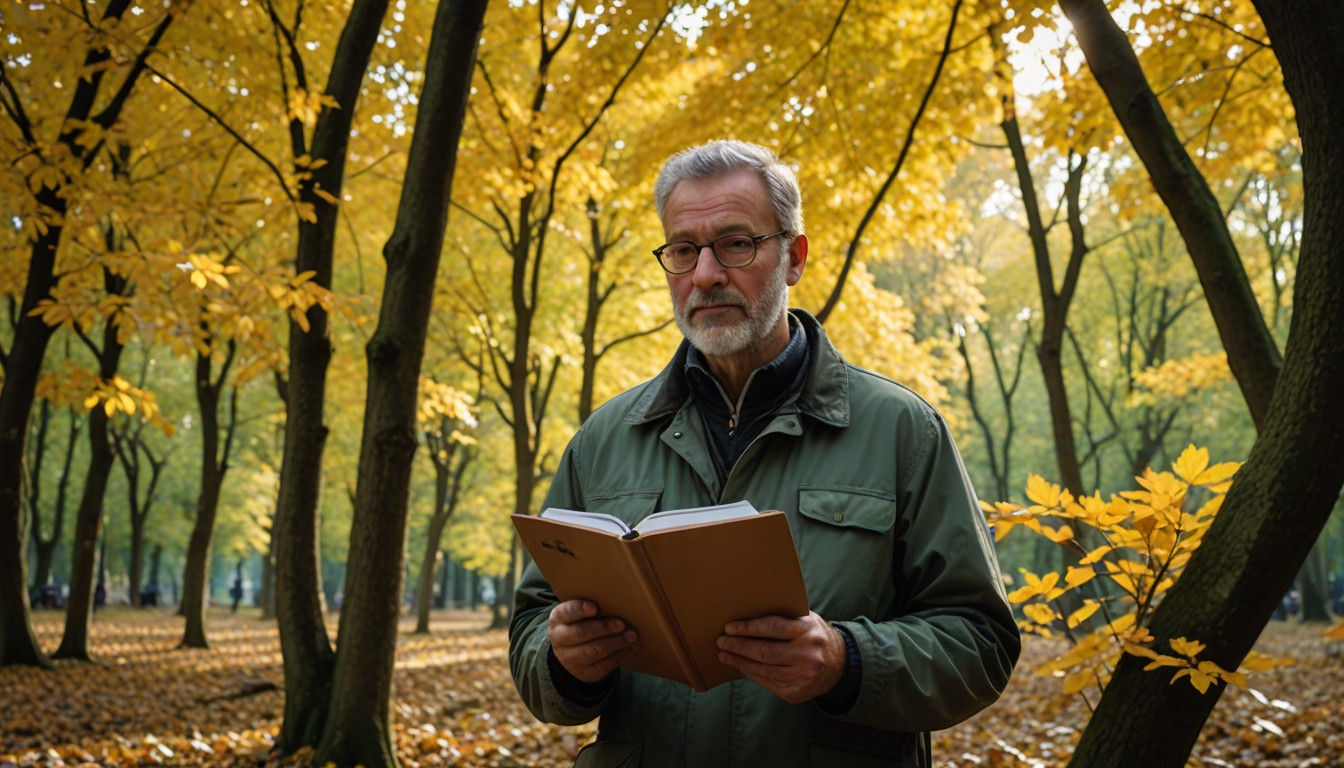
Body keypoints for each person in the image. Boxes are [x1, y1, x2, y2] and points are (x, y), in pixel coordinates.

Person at [509, 139, 1020, 767]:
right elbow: (532, 629)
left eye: (736, 243)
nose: (705, 274)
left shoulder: (902, 431)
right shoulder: (603, 439)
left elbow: (981, 643)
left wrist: (846, 661)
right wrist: (563, 662)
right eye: (683, 250)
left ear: (794, 256)